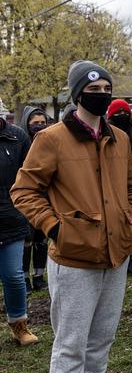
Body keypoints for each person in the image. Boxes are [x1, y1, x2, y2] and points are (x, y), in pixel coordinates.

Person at [12, 61, 132, 373]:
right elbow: (24, 190)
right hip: (73, 258)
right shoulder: (51, 139)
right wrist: (55, 228)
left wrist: (131, 223)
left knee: (103, 335)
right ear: (76, 94)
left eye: (107, 86)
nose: (101, 92)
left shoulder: (119, 138)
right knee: (71, 341)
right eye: (93, 87)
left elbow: (131, 189)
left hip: (115, 254)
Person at [1, 110, 36, 346]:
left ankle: (19, 325)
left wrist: (30, 217)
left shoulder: (17, 137)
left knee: (13, 276)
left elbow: (30, 181)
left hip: (11, 218)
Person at [107, 99, 132, 278]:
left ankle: (130, 260)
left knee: (131, 223)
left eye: (124, 113)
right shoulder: (106, 134)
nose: (121, 116)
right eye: (117, 113)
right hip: (112, 188)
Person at [19, 106, 52, 292]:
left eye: (42, 123)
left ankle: (39, 276)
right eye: (35, 123)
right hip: (27, 199)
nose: (39, 126)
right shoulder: (21, 142)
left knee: (42, 238)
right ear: (27, 124)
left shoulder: (50, 142)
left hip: (47, 197)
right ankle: (24, 278)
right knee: (27, 239)